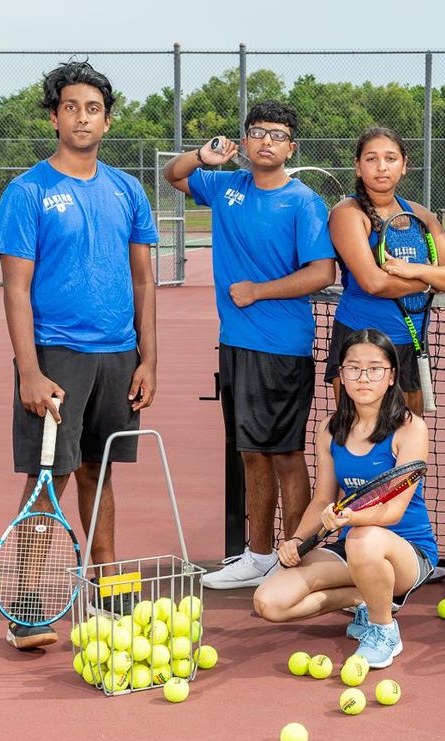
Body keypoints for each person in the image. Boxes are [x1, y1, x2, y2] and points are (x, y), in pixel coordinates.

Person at [0, 60, 158, 649]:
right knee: (51, 477)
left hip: (119, 355)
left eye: (93, 108)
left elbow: (144, 281)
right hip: (57, 356)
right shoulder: (28, 191)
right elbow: (16, 288)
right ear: (54, 116)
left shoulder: (127, 189)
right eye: (71, 107)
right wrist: (30, 371)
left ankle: (107, 586)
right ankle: (28, 599)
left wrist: (149, 358)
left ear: (107, 121)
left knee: (100, 469)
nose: (82, 117)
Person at [162, 101, 336, 590]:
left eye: (277, 135)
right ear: (245, 141)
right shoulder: (225, 187)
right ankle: (259, 555)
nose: (266, 141)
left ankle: (298, 557)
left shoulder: (303, 202)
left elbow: (322, 272)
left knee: (284, 454)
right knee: (250, 453)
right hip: (234, 343)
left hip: (282, 347)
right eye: (257, 132)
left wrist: (258, 290)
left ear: (291, 147)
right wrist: (202, 154)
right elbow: (172, 175)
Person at [253, 329, 438, 668]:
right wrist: (297, 539)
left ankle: (384, 629)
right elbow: (322, 496)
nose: (363, 377)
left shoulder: (411, 429)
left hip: (407, 551)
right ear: (341, 374)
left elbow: (393, 511)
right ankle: (367, 598)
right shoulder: (330, 429)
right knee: (270, 602)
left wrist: (349, 518)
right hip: (351, 545)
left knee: (363, 539)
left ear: (391, 376)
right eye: (353, 368)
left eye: (374, 369)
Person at [327, 126, 445, 416]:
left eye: (390, 158)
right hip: (360, 342)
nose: (381, 167)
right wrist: (430, 279)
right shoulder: (347, 214)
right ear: (357, 166)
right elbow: (374, 282)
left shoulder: (422, 215)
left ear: (404, 165)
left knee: (408, 447)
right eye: (371, 159)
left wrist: (410, 270)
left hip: (410, 345)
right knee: (359, 440)